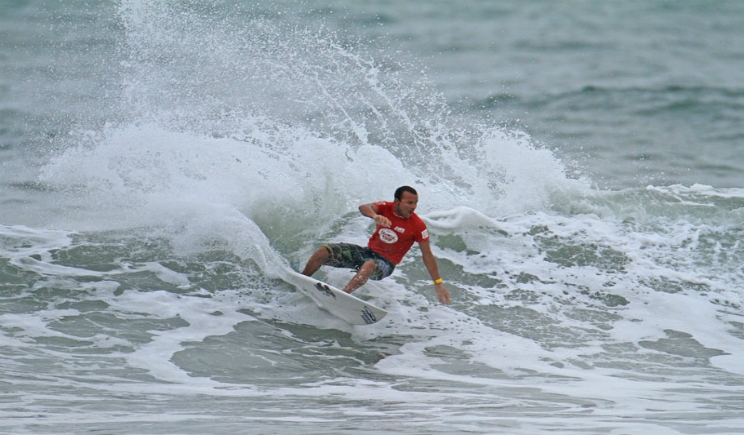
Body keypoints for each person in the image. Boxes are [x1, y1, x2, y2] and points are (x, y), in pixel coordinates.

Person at [301, 186, 451, 305]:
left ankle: (343, 297)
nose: (413, 207)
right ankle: (302, 280)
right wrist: (375, 216)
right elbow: (364, 207)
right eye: (409, 203)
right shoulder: (386, 208)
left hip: (385, 264)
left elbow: (427, 254)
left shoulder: (417, 225)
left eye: (415, 203)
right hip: (368, 252)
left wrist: (438, 283)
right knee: (324, 251)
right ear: (397, 202)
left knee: (369, 265)